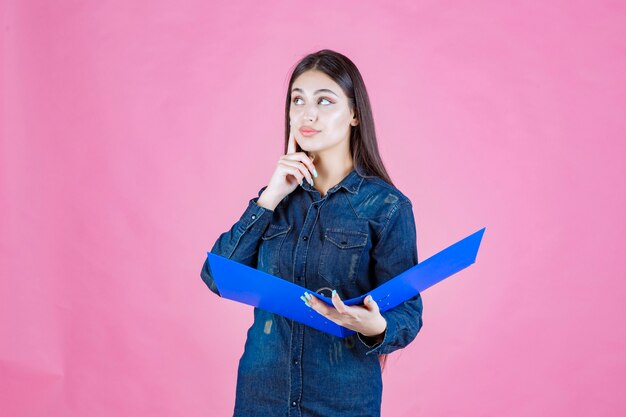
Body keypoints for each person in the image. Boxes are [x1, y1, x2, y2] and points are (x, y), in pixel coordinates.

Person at [200, 49, 423, 417]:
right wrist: (270, 197)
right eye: (297, 100)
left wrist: (375, 326)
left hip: (341, 402)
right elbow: (216, 276)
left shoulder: (387, 207)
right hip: (262, 399)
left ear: (354, 114)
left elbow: (408, 314)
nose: (307, 113)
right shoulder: (275, 199)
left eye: (325, 100)